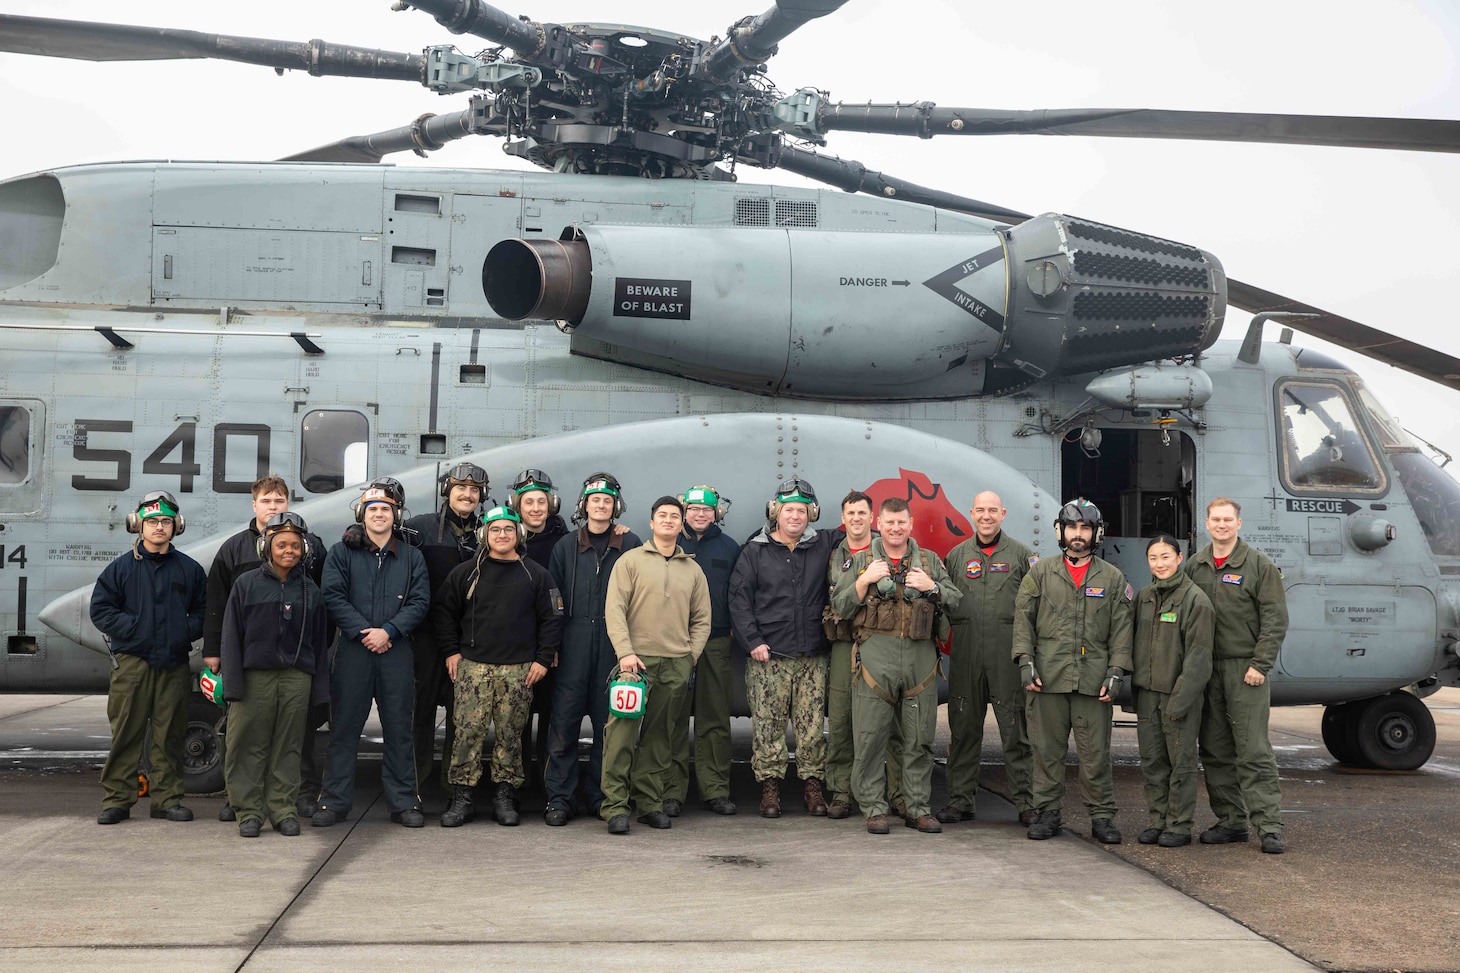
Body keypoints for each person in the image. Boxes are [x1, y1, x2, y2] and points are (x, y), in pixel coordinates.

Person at [830, 496, 961, 835]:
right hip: (876, 657)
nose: (895, 528)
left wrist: (931, 587)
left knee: (918, 739)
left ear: (911, 524)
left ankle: (917, 807)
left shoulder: (929, 562)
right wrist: (862, 581)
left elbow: (958, 602)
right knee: (870, 737)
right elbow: (840, 607)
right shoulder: (860, 561)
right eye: (889, 522)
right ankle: (874, 808)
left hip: (920, 659)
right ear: (880, 524)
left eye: (901, 521)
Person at [203, 474, 327, 823]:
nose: (289, 551)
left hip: (295, 676)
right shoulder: (243, 577)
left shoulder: (310, 590)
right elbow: (226, 624)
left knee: (290, 746)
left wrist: (316, 681)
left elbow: (320, 636)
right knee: (247, 743)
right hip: (254, 674)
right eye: (281, 545)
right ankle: (246, 810)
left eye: (295, 546)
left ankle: (283, 808)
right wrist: (230, 673)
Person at [432, 505, 562, 828]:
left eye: (508, 529)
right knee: (466, 733)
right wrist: (451, 652)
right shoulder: (466, 573)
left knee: (511, 735)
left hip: (518, 671)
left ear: (518, 534)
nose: (501, 535)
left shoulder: (536, 574)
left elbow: (552, 618)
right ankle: (462, 797)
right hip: (473, 668)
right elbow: (444, 612)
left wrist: (543, 659)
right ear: (484, 535)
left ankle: (506, 795)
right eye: (495, 530)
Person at [1013, 498, 1134, 844]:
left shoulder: (1111, 578)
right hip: (1047, 679)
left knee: (1096, 754)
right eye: (1072, 527)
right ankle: (1047, 812)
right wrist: (1025, 661)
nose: (1078, 535)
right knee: (1046, 752)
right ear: (1060, 531)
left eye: (1084, 528)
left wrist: (1116, 671)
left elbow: (1122, 631)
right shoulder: (1040, 573)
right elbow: (1023, 620)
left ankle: (1102, 816)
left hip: (1093, 681)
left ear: (1096, 534)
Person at [314, 481, 432, 829]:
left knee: (400, 728)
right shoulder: (341, 553)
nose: (379, 514)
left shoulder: (412, 556)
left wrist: (389, 631)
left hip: (396, 650)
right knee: (345, 727)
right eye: (373, 509)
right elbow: (332, 596)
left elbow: (420, 601)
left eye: (386, 509)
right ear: (362, 514)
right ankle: (333, 802)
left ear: (395, 515)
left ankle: (404, 801)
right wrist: (365, 632)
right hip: (353, 650)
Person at [90, 491, 207, 825]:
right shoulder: (121, 568)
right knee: (126, 733)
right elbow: (100, 609)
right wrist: (134, 628)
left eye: (166, 521)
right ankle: (117, 800)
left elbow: (203, 611)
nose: (159, 527)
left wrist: (182, 631)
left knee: (169, 734)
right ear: (138, 524)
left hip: (173, 664)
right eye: (152, 521)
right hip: (132, 664)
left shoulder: (189, 569)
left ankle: (167, 799)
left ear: (176, 526)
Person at [600, 496, 712, 834]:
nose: (668, 521)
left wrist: (689, 656)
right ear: (651, 523)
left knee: (660, 738)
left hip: (675, 664)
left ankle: (649, 803)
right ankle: (615, 807)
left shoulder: (692, 570)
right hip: (635, 665)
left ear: (681, 525)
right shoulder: (630, 561)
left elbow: (702, 619)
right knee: (620, 735)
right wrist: (625, 653)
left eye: (674, 517)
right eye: (662, 516)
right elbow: (614, 609)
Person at [729, 477, 837, 819]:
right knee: (768, 726)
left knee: (810, 728)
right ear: (776, 512)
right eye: (789, 509)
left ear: (812, 514)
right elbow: (739, 601)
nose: (795, 516)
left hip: (812, 657)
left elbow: (861, 533)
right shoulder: (755, 551)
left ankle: (812, 787)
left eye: (802, 511)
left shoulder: (823, 544)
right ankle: (770, 788)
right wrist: (753, 643)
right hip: (769, 658)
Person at [1187, 498, 1289, 854]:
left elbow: (1275, 619)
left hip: (1244, 669)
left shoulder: (1259, 566)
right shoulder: (1195, 566)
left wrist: (1260, 664)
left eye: (1228, 520)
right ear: (1207, 523)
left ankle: (1269, 826)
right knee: (1215, 750)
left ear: (1239, 524)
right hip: (1206, 671)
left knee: (1253, 750)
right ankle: (1231, 822)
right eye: (1216, 519)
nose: (1222, 525)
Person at [543, 472, 641, 825]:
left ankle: (604, 797)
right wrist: (551, 644)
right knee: (564, 726)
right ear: (583, 505)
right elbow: (552, 600)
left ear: (617, 507)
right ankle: (560, 799)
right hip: (572, 646)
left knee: (609, 728)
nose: (601, 505)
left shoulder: (630, 546)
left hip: (614, 649)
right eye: (595, 500)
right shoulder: (565, 547)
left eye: (608, 501)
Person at [940, 490, 1038, 826]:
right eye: (980, 510)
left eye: (992, 510)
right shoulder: (956, 556)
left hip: (1005, 657)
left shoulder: (1022, 556)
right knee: (964, 730)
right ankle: (960, 800)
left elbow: (1032, 609)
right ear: (971, 513)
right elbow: (944, 605)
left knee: (1015, 731)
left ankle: (1026, 803)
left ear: (1003, 513)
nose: (986, 516)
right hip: (966, 656)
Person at [403, 461, 488, 793]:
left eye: (473, 490)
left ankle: (454, 788)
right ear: (446, 492)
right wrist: (358, 536)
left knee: (462, 716)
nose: (467, 495)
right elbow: (383, 537)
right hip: (425, 637)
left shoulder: (487, 532)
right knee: (419, 713)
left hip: (466, 640)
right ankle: (414, 785)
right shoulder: (420, 528)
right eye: (460, 488)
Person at [1132, 534, 1213, 848]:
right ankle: (1157, 821)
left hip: (1178, 696)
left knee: (1180, 764)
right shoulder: (1144, 596)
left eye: (1166, 556)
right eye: (1153, 558)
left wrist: (1180, 700)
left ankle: (1178, 826)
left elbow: (1199, 657)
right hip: (1148, 695)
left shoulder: (1196, 600)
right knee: (1152, 762)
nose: (1159, 564)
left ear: (1180, 559)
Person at [665, 484, 741, 817]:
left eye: (706, 510)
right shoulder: (668, 543)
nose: (700, 514)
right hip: (673, 643)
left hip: (716, 641)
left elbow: (738, 595)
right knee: (672, 718)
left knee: (714, 718)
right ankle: (670, 791)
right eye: (694, 509)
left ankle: (715, 790)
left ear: (716, 513)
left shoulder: (729, 547)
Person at [822, 490, 897, 820]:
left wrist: (860, 590)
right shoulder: (838, 553)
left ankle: (891, 791)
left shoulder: (888, 548)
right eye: (850, 513)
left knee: (884, 721)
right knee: (840, 718)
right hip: (844, 643)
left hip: (881, 641)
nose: (856, 518)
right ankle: (841, 791)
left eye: (862, 513)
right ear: (843, 519)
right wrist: (865, 581)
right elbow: (842, 599)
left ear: (872, 518)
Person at [509, 468, 571, 787]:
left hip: (550, 648)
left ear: (552, 504)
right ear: (517, 506)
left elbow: (563, 600)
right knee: (516, 722)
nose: (535, 508)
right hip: (517, 645)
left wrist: (552, 646)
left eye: (541, 501)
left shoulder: (565, 542)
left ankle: (547, 787)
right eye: (529, 502)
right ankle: (517, 787)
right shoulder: (505, 540)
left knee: (550, 719)